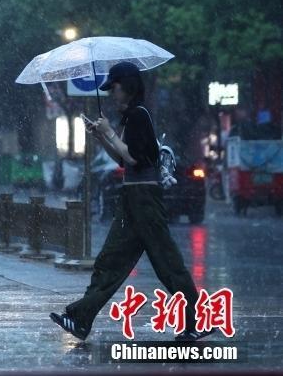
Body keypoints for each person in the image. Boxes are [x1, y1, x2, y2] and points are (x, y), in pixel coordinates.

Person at [50, 62, 212, 342]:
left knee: (167, 263)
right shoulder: (130, 118)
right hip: (131, 199)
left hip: (145, 199)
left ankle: (193, 322)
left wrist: (109, 132)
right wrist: (101, 136)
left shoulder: (140, 115)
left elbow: (137, 157)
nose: (112, 93)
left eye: (114, 87)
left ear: (128, 86)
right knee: (110, 261)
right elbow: (122, 159)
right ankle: (80, 319)